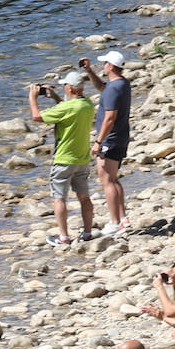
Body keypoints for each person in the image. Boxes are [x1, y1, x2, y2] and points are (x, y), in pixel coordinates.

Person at [28, 71, 95, 246]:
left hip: (64, 159)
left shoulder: (66, 108)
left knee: (60, 198)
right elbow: (68, 109)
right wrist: (56, 97)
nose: (64, 87)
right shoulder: (87, 104)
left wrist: (32, 97)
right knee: (84, 197)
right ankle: (87, 233)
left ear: (70, 87)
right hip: (82, 159)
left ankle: (63, 237)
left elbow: (37, 117)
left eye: (65, 85)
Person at [80, 49, 131, 235]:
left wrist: (98, 142)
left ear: (110, 66)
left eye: (104, 64)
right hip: (121, 137)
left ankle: (115, 222)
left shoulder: (114, 88)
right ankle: (123, 219)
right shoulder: (122, 84)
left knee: (107, 181)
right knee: (114, 179)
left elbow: (110, 118)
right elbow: (102, 87)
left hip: (110, 139)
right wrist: (89, 71)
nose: (103, 66)